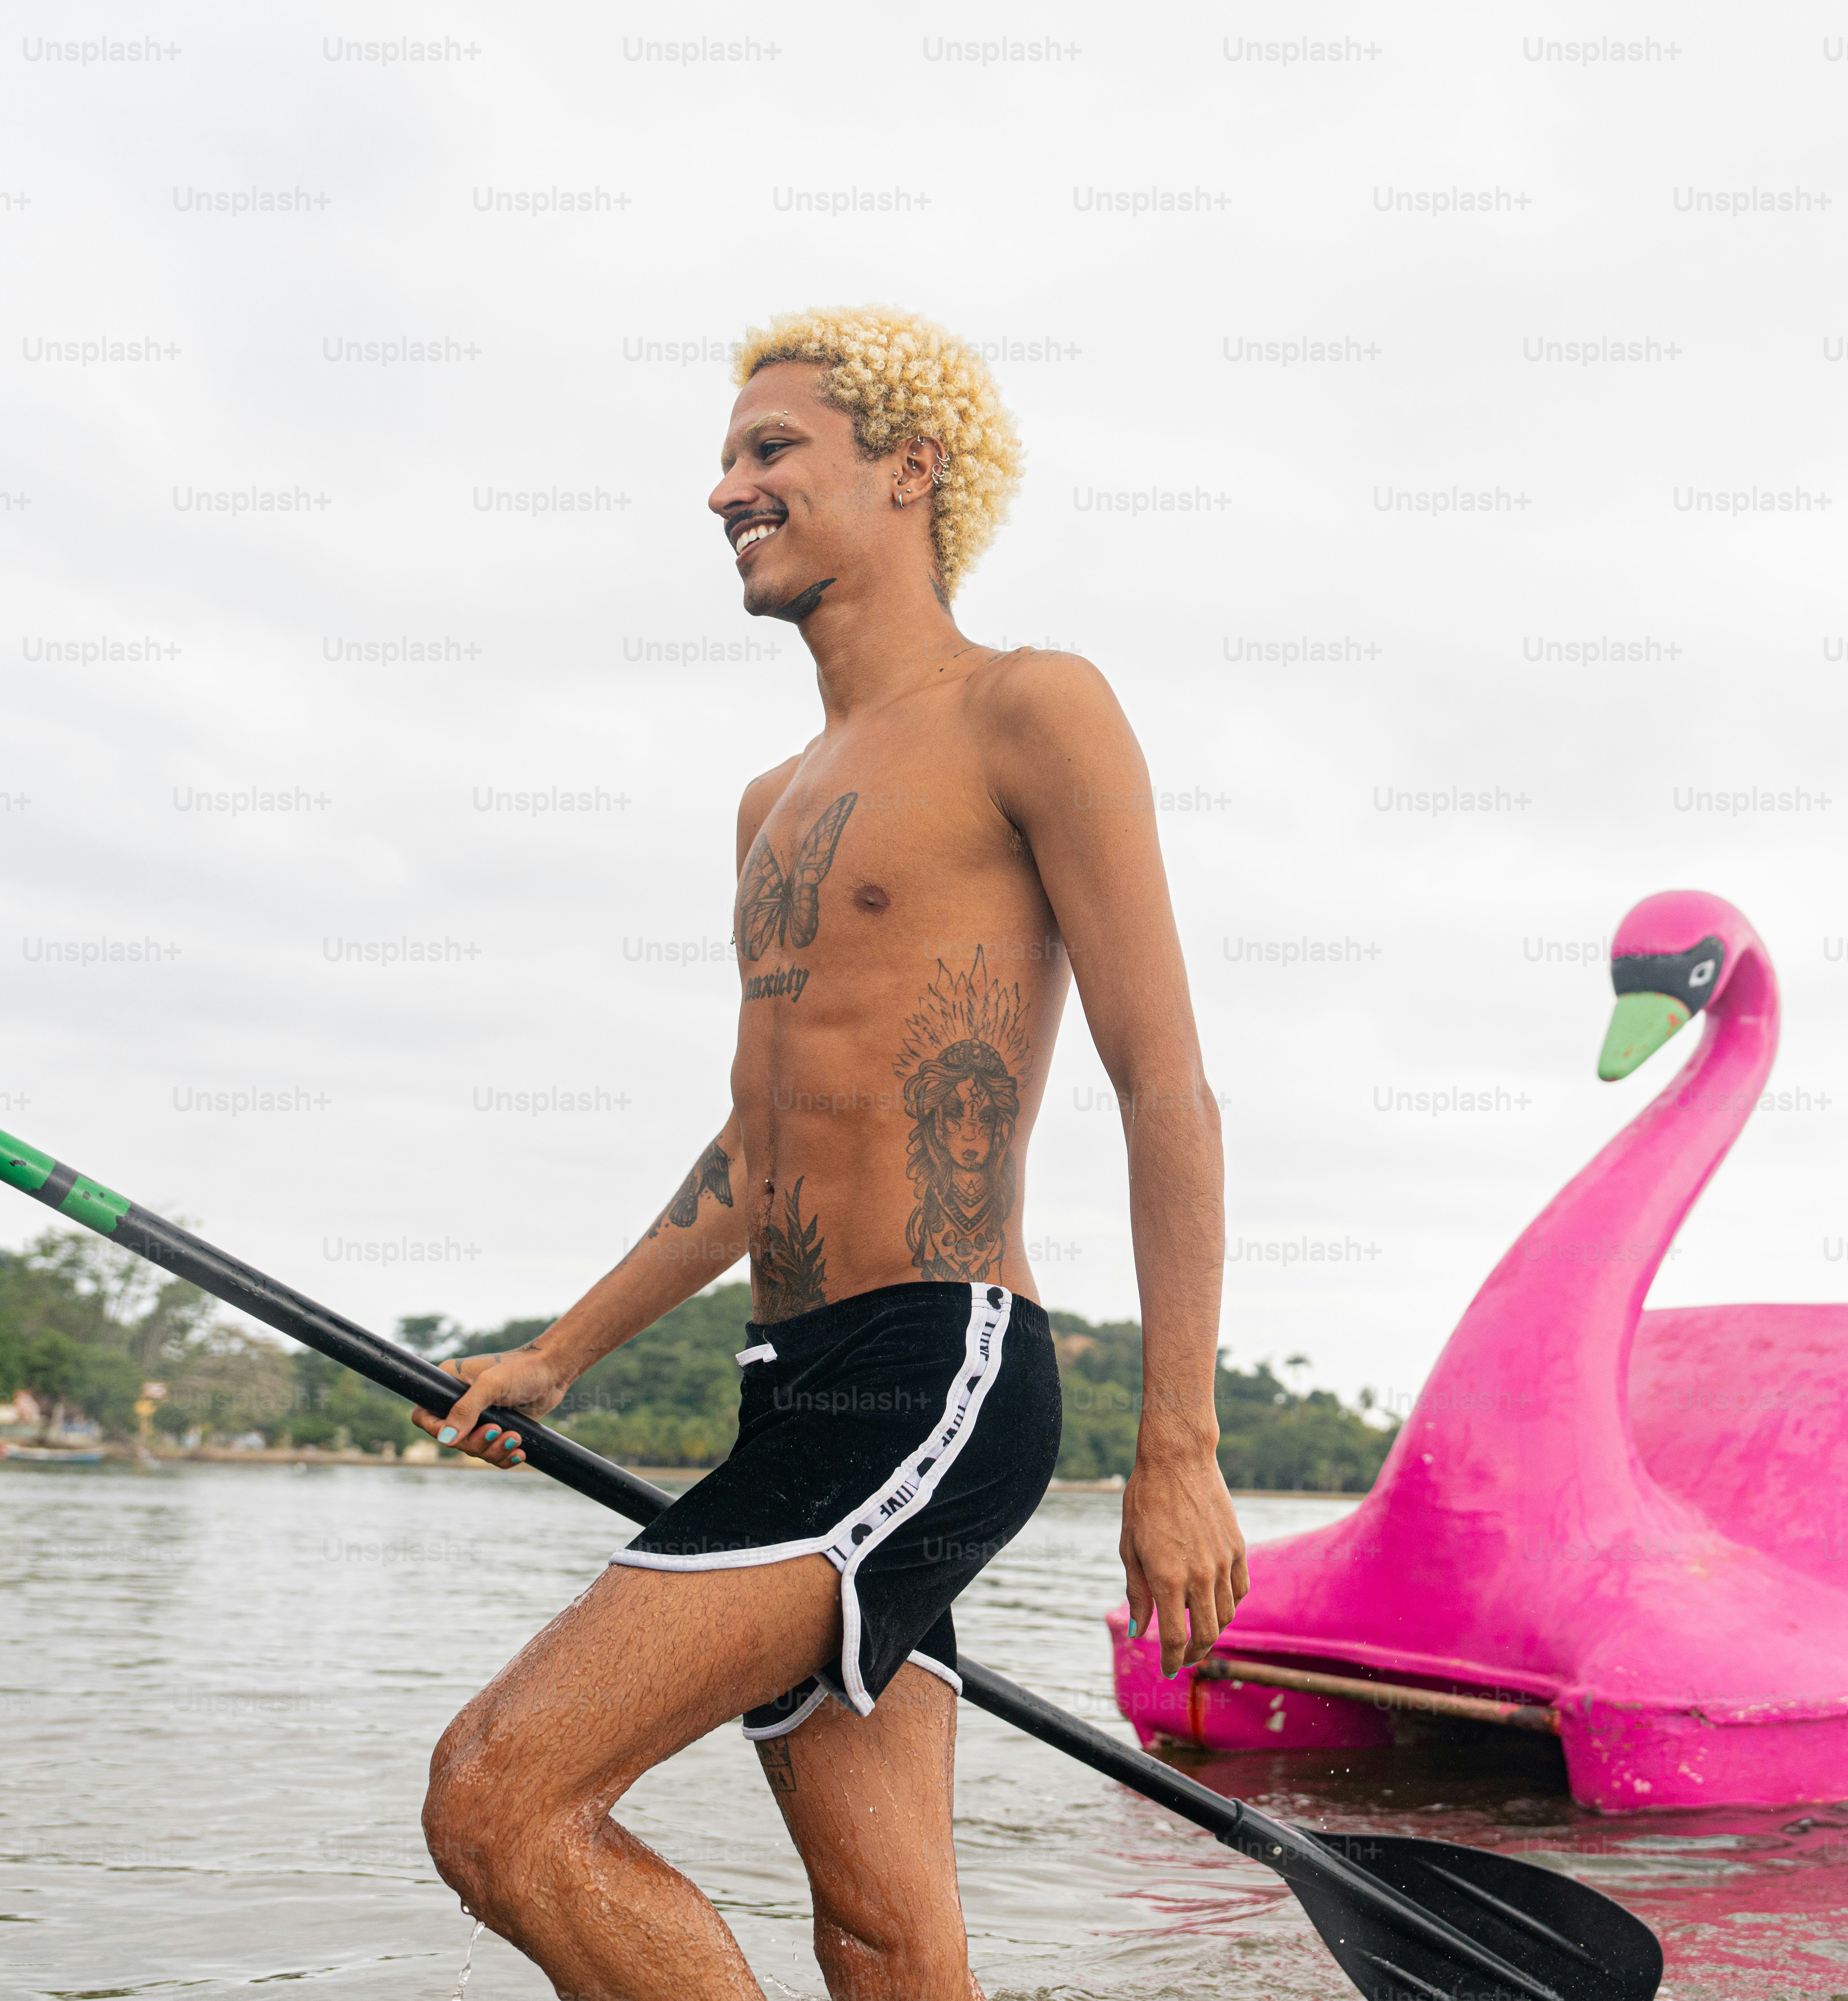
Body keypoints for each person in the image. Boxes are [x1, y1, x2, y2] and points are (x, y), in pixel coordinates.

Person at [405, 306, 1248, 1999]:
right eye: (725, 457)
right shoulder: (770, 798)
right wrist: (562, 1350)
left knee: (499, 1798)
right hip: (788, 1380)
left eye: (769, 450)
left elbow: (1164, 1087)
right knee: (881, 1927)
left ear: (907, 469)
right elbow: (752, 1147)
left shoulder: (1030, 707)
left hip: (936, 1368)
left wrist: (1178, 1447)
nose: (726, 488)